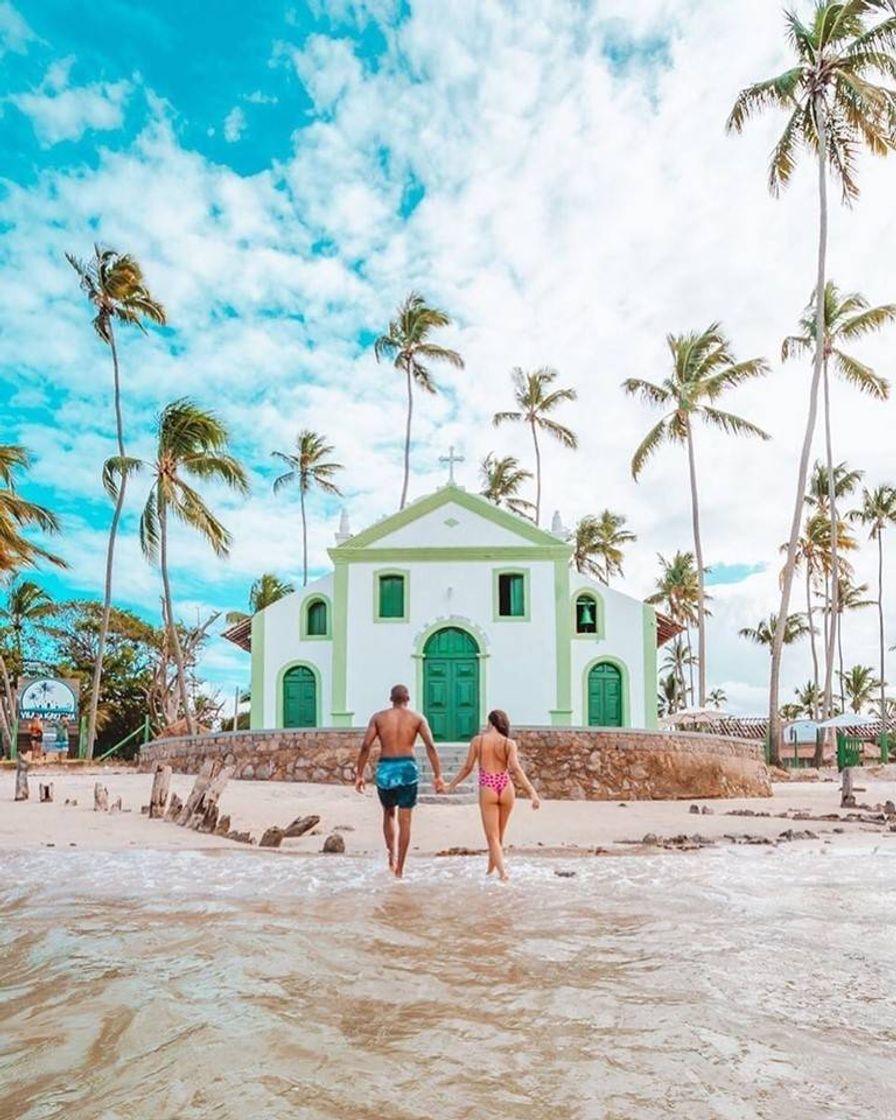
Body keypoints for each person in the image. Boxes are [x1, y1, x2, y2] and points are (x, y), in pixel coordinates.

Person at [354, 685, 445, 878]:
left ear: (391, 699)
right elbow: (430, 746)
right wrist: (438, 775)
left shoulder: (378, 718)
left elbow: (365, 746)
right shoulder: (417, 718)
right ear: (408, 699)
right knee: (406, 820)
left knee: (388, 814)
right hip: (407, 769)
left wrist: (359, 774)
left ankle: (391, 858)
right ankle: (400, 869)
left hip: (386, 769)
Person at [443, 709, 540, 881]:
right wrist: (532, 792)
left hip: (488, 786)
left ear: (490, 723)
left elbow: (467, 768)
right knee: (499, 836)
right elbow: (516, 770)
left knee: (492, 836)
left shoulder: (478, 741)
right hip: (505, 786)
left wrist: (451, 785)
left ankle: (503, 873)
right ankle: (490, 870)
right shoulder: (509, 743)